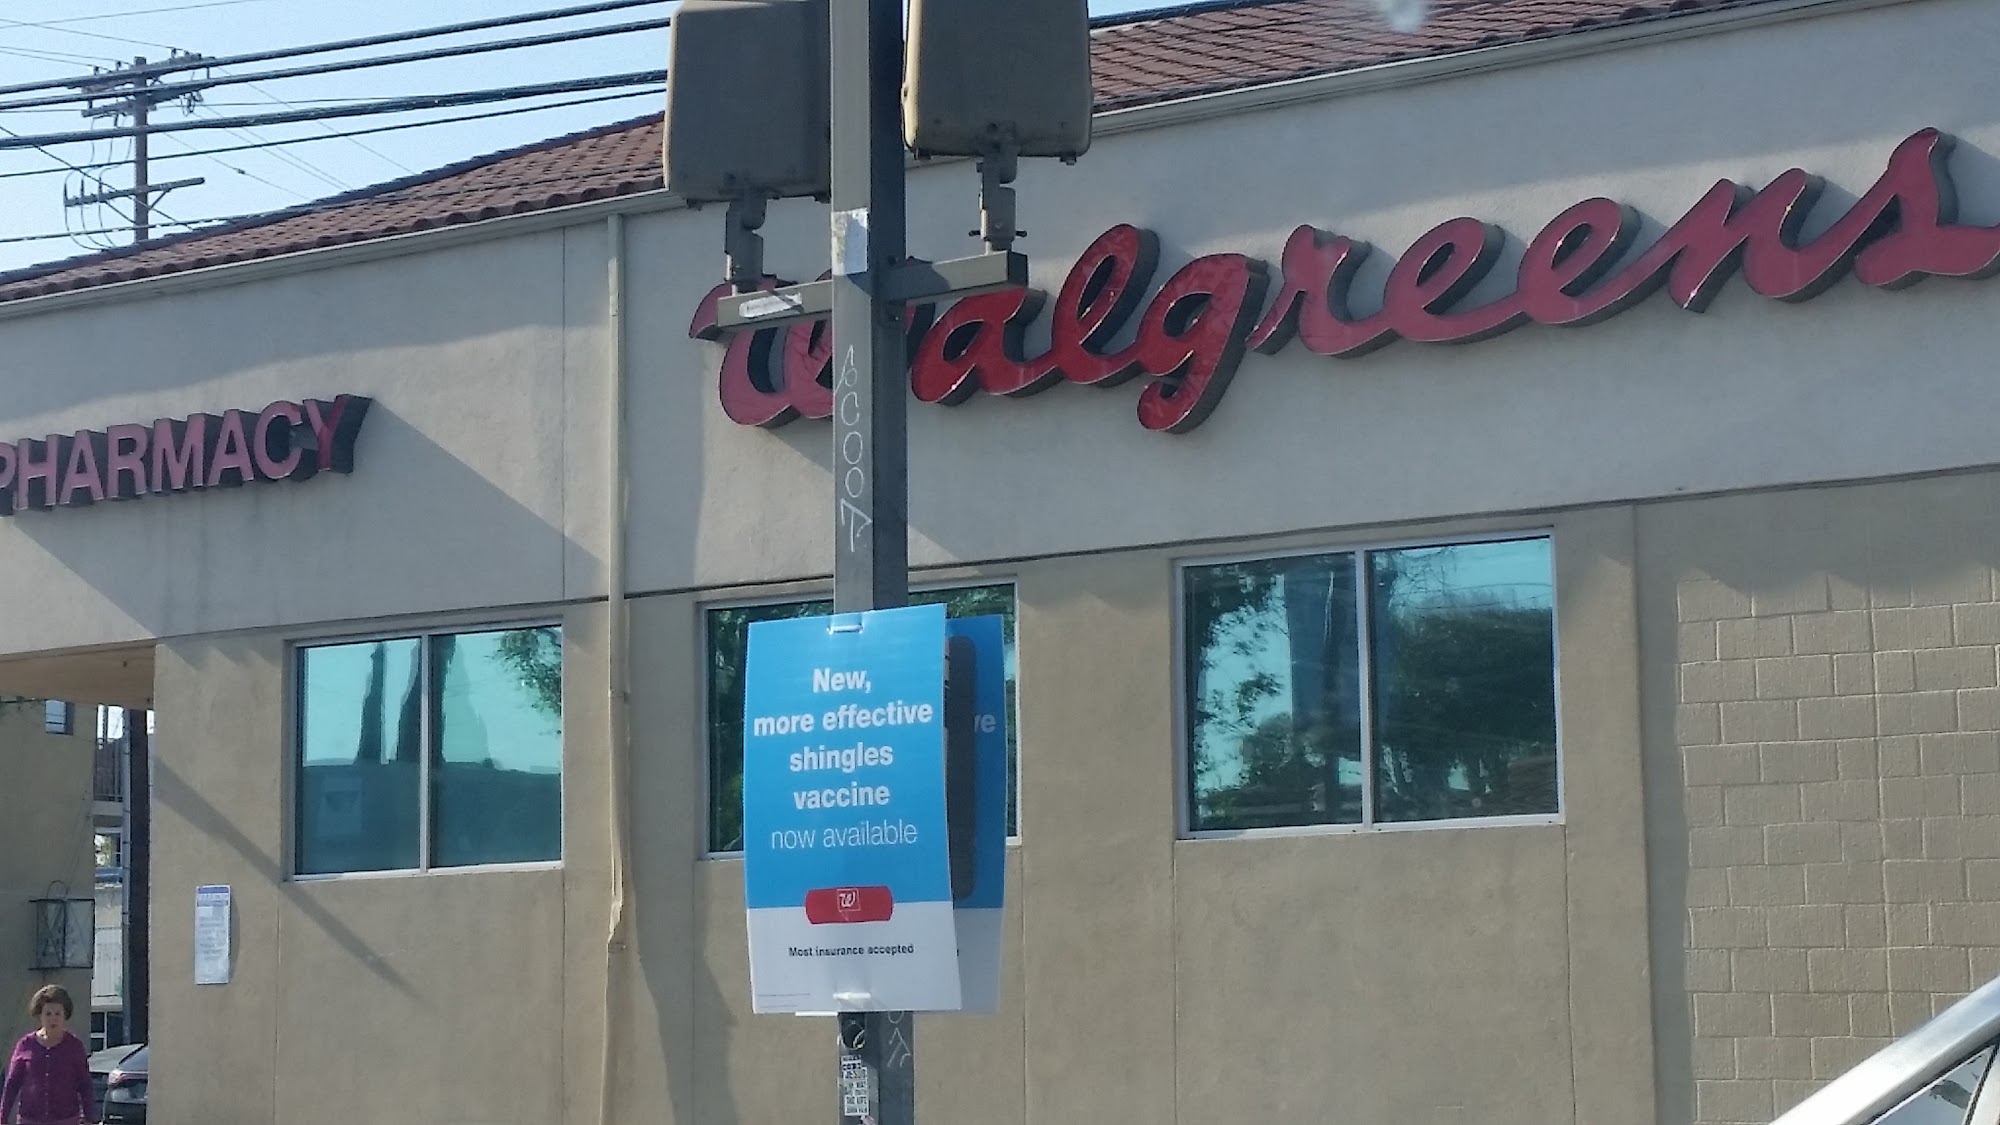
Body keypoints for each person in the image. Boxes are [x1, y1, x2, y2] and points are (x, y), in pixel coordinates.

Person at [0, 985, 98, 1125]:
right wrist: (2, 1118)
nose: (53, 1019)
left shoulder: (74, 1046)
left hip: (66, 1119)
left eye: (58, 1014)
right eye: (48, 1014)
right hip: (30, 1120)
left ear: (65, 1015)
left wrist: (90, 1118)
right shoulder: (26, 1045)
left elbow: (85, 1084)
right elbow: (11, 1084)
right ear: (40, 1015)